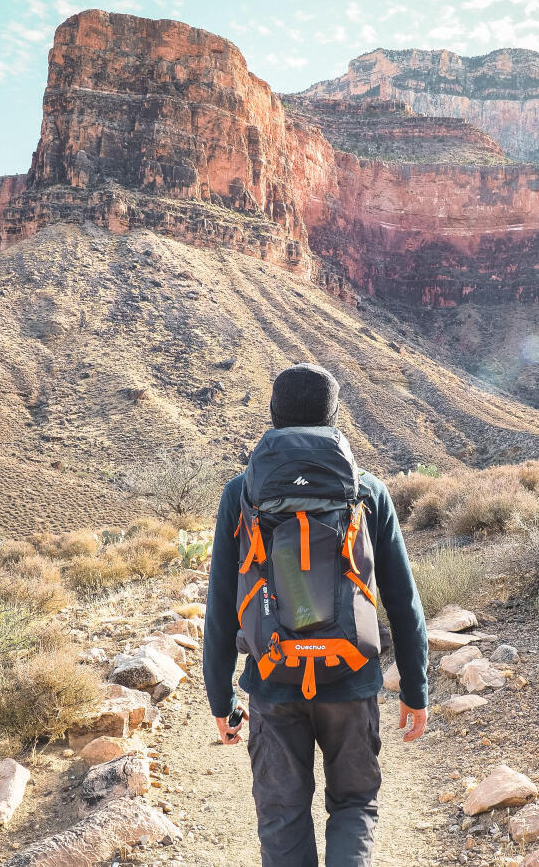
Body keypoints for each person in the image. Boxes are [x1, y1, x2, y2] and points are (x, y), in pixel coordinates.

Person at [203, 363, 428, 867]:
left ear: (274, 414)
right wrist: (415, 689)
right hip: (351, 679)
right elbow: (402, 598)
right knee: (354, 804)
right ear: (333, 416)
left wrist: (219, 697)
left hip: (272, 680)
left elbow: (220, 602)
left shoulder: (241, 492)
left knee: (282, 814)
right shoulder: (366, 489)